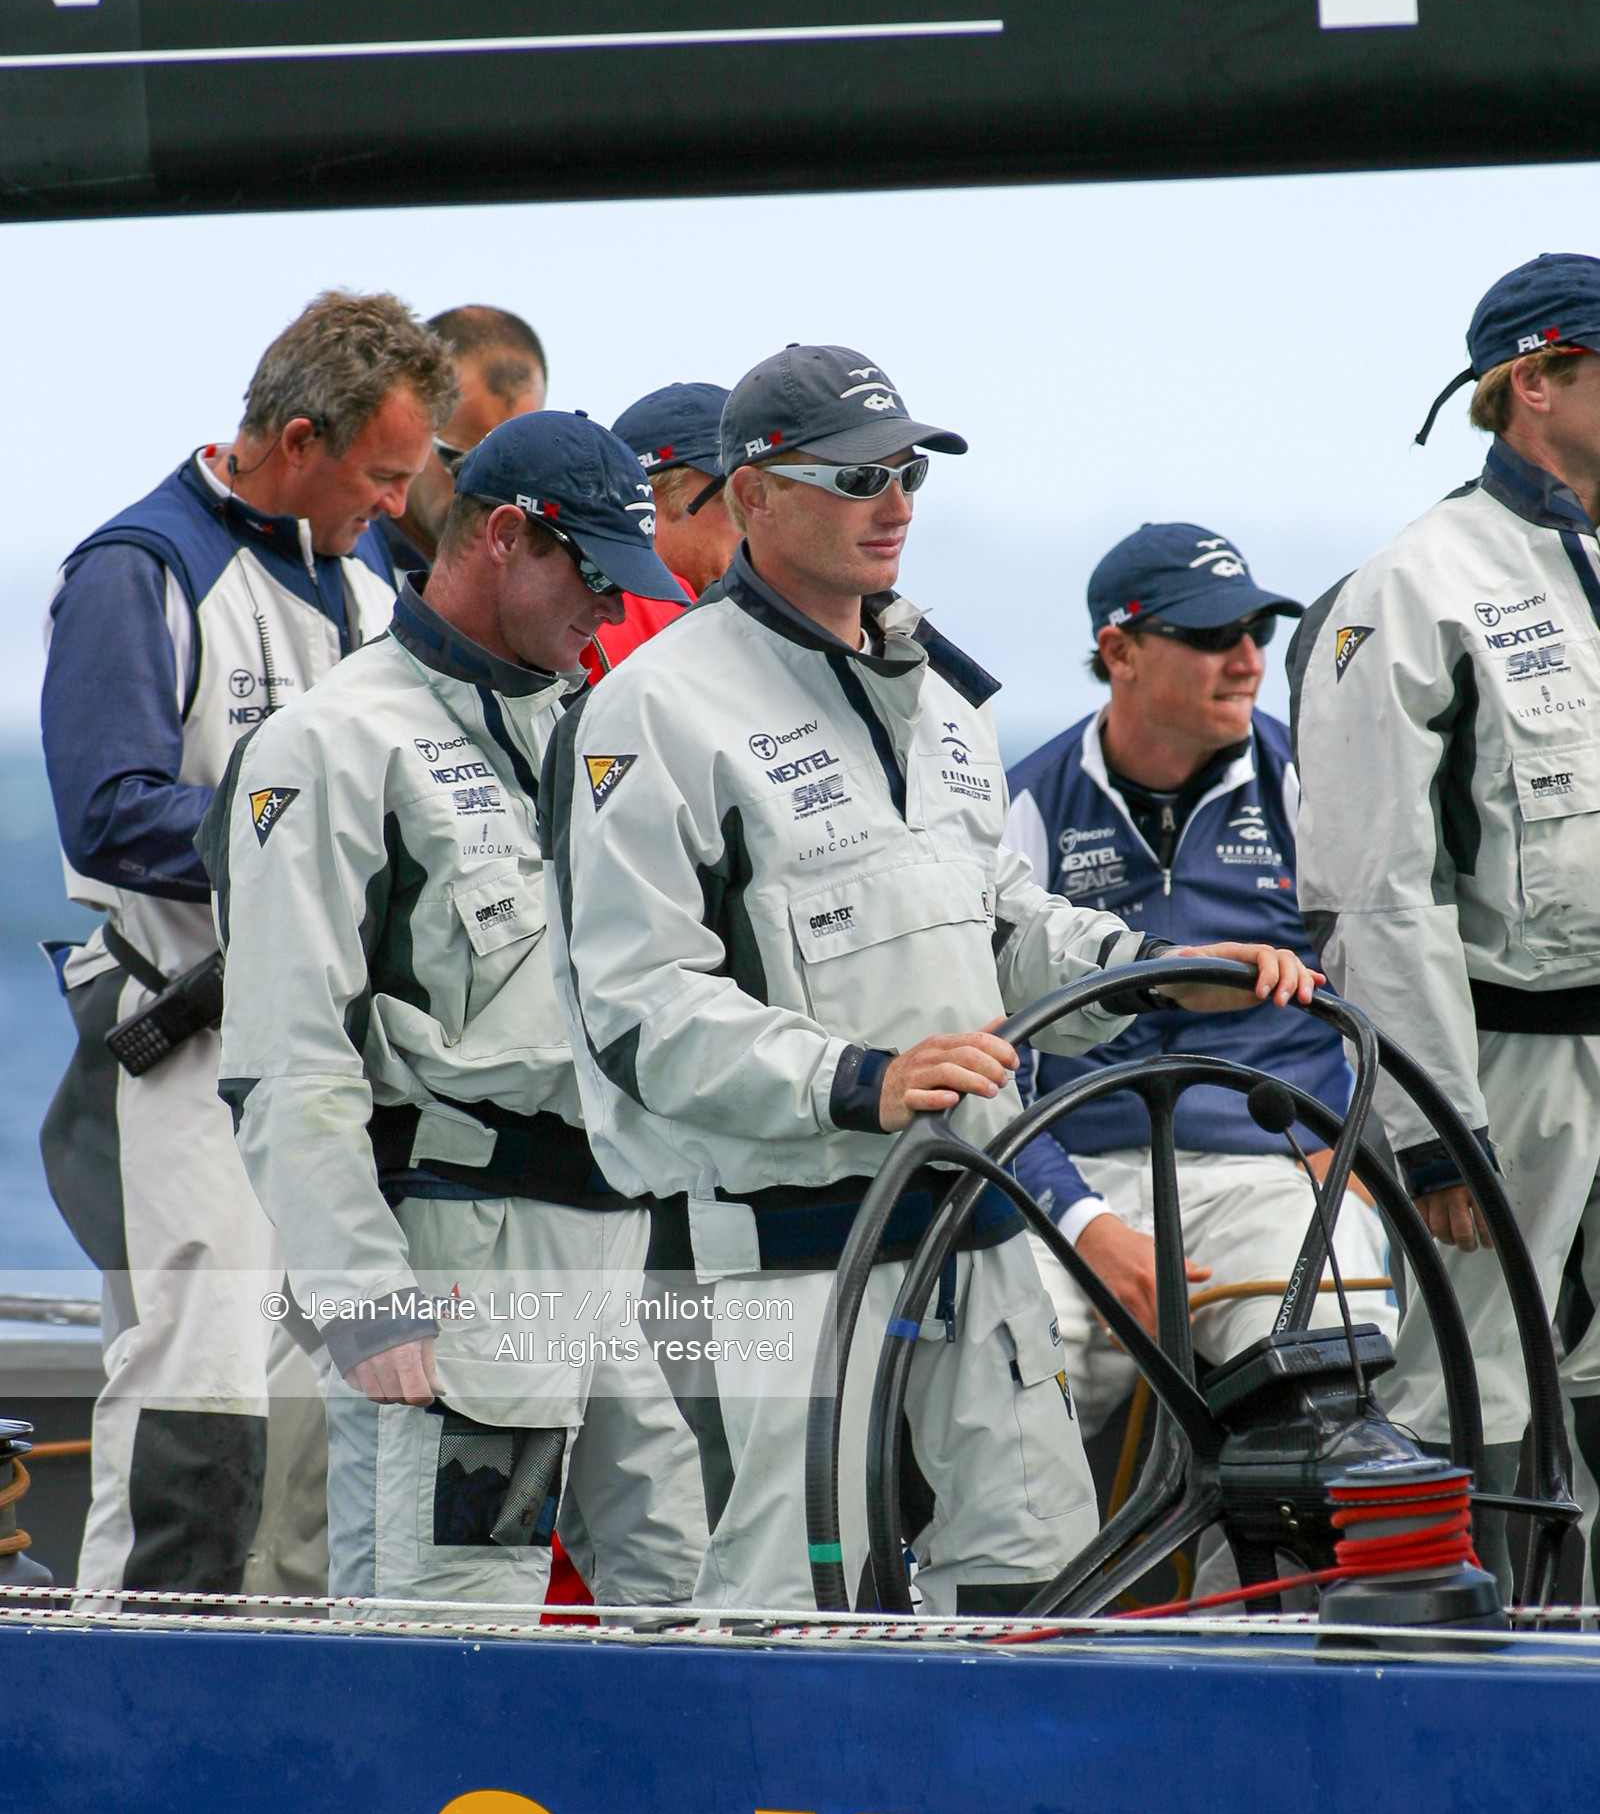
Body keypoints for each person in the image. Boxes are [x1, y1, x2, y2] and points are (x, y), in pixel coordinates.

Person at [543, 344, 1319, 1617]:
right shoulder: (650, 710)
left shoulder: (944, 700)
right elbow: (637, 1013)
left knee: (1031, 1590)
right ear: (752, 497)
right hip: (778, 1257)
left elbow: (1000, 919)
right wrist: (862, 1078)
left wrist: (1158, 972)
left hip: (979, 1228)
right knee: (791, 1612)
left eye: (907, 472)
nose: (894, 502)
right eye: (857, 478)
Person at [200, 412, 707, 1608]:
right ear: (505, 536)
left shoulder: (591, 730)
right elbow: (286, 1056)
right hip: (462, 1275)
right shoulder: (333, 743)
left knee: (686, 1606)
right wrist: (364, 1299)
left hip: (614, 1256)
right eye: (593, 575)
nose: (609, 609)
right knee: (458, 1631)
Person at [40, 291, 453, 1599]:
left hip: (327, 1060)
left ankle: (276, 1681)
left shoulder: (368, 581)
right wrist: (306, 830)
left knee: (310, 1424)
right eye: (382, 476)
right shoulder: (140, 568)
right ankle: (137, 1681)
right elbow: (109, 813)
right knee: (199, 1393)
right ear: (298, 440)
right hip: (185, 1043)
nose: (397, 505)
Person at [1293, 252, 1600, 1587]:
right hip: (1498, 1063)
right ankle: (1442, 1677)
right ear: (1537, 381)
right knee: (1468, 1391)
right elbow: (1374, 889)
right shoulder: (1411, 587)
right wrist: (1431, 1137)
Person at [1005, 524, 1395, 1538]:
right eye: (1212, 635)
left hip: (1267, 1167)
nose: (1248, 659)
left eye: (1256, 632)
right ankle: (1033, 1617)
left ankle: (1259, 1615)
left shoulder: (1311, 782)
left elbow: (1389, 976)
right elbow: (990, 1056)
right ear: (1120, 651)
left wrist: (1355, 1145)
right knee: (998, 1401)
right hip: (1071, 1179)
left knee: (1330, 1377)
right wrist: (1083, 1224)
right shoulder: (1022, 806)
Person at [580, 382, 736, 680]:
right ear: (648, 501)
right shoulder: (627, 614)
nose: (754, 519)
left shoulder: (575, 602)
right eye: (731, 499)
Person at [380, 305, 547, 576]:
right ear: (408, 430)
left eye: (513, 470)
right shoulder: (341, 561)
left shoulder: (530, 584)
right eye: (459, 462)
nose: (485, 493)